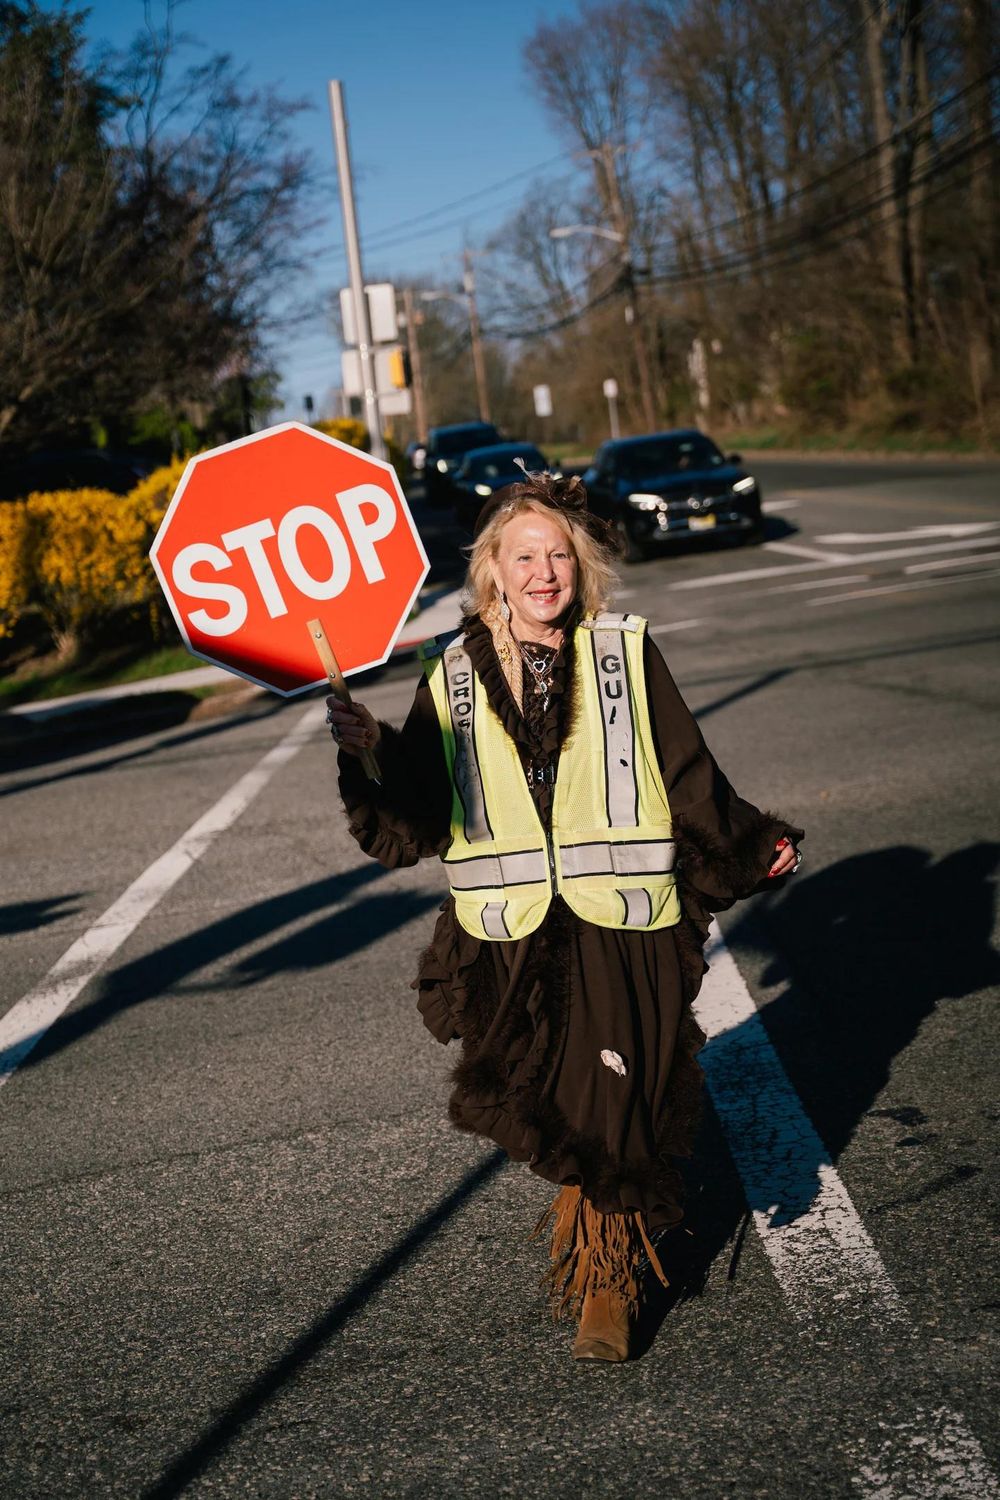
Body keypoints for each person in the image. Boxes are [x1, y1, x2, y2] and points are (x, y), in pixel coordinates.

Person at [328, 468, 802, 1364]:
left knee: (610, 1099)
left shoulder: (622, 651)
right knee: (549, 1101)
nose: (543, 572)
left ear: (579, 566)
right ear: (493, 571)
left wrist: (747, 845)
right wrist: (374, 753)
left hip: (617, 925)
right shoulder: (454, 671)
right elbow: (425, 810)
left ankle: (605, 1284)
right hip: (507, 935)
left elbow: (685, 768)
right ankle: (601, 1257)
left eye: (558, 556)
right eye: (523, 557)